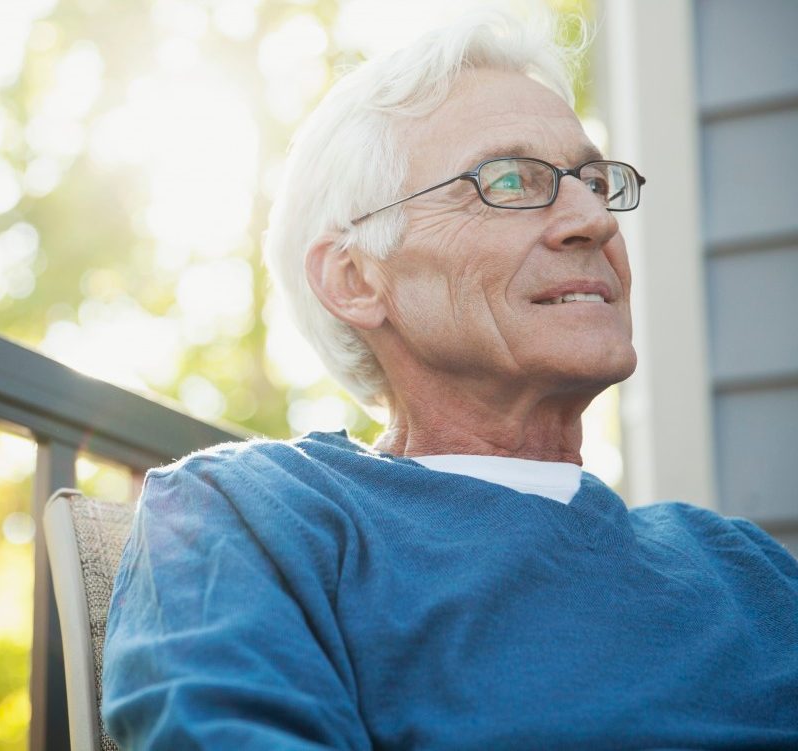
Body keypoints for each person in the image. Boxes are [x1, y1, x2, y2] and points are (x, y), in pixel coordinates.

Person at [100, 11, 798, 750]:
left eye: (593, 181)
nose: (592, 218)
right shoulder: (255, 512)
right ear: (356, 278)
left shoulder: (738, 564)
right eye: (508, 180)